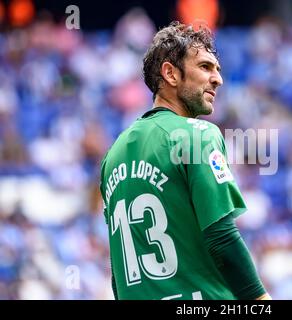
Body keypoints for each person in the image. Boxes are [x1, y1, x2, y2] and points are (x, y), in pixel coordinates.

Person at [99, 21, 271, 300]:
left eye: (217, 69)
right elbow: (222, 237)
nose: (218, 79)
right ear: (170, 74)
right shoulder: (197, 135)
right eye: (205, 67)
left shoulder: (112, 157)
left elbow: (118, 274)